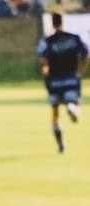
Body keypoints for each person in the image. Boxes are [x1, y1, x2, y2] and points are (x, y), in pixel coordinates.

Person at [37, 12, 88, 153]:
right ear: (63, 22)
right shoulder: (74, 38)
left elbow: (43, 59)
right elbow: (85, 53)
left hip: (54, 81)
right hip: (71, 78)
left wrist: (45, 71)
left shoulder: (47, 41)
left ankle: (61, 145)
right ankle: (71, 107)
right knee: (73, 101)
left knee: (55, 112)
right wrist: (80, 70)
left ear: (52, 23)